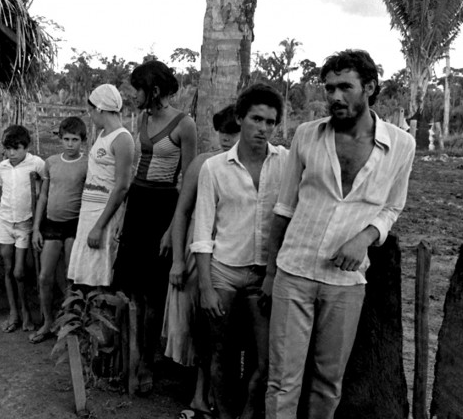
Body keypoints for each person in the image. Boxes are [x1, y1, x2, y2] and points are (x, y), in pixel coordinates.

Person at [264, 50, 416, 419]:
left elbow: (393, 207)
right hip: (294, 271)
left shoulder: (400, 145)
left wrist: (364, 238)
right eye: (329, 88)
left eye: (345, 87)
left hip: (345, 282)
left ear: (369, 87)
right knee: (283, 381)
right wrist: (270, 272)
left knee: (328, 382)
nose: (334, 96)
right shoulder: (307, 135)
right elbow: (284, 207)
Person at [192, 84, 287, 419]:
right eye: (256, 119)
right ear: (240, 118)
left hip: (266, 274)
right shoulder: (215, 168)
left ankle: (247, 413)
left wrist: (275, 274)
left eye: (270, 122)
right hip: (224, 272)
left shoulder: (286, 163)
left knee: (264, 362)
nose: (263, 128)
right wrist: (205, 287)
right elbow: (202, 230)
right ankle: (224, 415)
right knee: (220, 356)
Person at [113, 60, 197, 393]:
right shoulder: (144, 119)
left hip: (164, 208)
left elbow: (188, 181)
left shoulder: (184, 124)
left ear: (155, 90)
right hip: (138, 203)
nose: (134, 95)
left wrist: (171, 230)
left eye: (139, 89)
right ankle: (129, 361)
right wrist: (124, 214)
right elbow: (137, 169)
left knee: (152, 294)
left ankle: (148, 363)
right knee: (130, 288)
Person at [163, 105, 240, 419]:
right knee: (200, 326)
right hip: (199, 251)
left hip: (231, 254)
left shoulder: (256, 166)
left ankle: (213, 395)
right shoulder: (203, 163)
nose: (225, 137)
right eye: (222, 130)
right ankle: (198, 394)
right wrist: (178, 261)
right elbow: (182, 212)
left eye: (232, 131)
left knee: (223, 331)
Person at [67, 84, 134, 289]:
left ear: (99, 109)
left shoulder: (122, 138)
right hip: (89, 210)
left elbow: (122, 186)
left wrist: (99, 226)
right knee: (87, 272)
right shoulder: (102, 135)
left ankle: (101, 317)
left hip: (103, 213)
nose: (91, 116)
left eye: (91, 110)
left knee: (101, 273)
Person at [30, 117, 89, 344]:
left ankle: (69, 323)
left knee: (69, 278)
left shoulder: (87, 163)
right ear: (60, 139)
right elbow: (43, 196)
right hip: (51, 224)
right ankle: (47, 321)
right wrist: (36, 228)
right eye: (66, 139)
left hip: (74, 225)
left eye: (75, 139)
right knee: (45, 276)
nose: (70, 144)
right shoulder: (52, 162)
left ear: (83, 141)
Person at [0, 125, 46, 334]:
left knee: (19, 272)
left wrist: (37, 224)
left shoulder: (37, 164)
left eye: (17, 148)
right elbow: (2, 192)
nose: (12, 153)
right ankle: (14, 312)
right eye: (8, 149)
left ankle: (26, 311)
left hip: (26, 223)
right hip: (5, 221)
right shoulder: (3, 167)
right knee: (7, 269)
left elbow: (45, 189)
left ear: (27, 147)